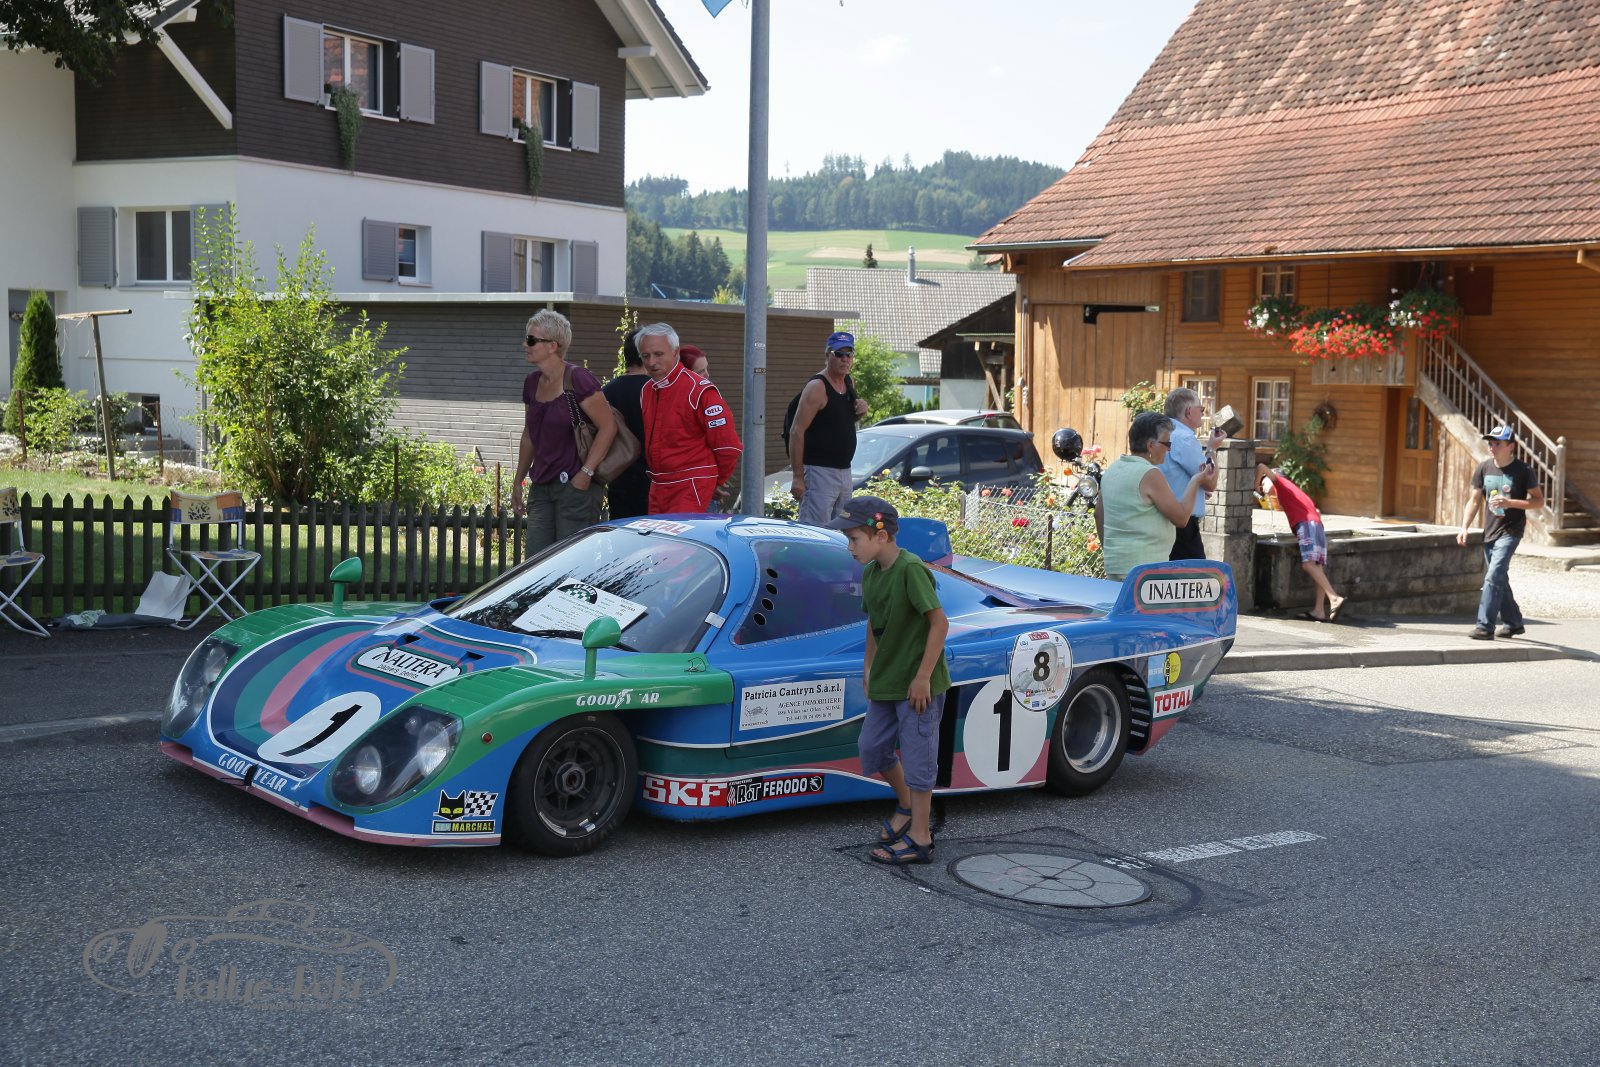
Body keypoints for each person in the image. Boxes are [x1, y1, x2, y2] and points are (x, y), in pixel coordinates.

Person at [826, 496, 950, 865]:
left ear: (880, 536)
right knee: (872, 748)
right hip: (887, 678)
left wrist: (923, 677)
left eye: (854, 539)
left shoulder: (910, 569)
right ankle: (907, 805)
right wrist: (868, 667)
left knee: (918, 759)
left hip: (916, 685)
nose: (850, 547)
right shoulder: (871, 573)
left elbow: (939, 623)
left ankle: (921, 838)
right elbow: (874, 623)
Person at [510, 309, 618, 553]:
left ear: (553, 346)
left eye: (531, 340)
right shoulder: (531, 383)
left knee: (571, 560)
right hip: (541, 485)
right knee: (535, 561)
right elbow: (529, 434)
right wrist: (518, 480)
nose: (524, 344)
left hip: (576, 487)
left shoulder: (578, 378)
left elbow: (608, 427)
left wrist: (585, 473)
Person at [1095, 412, 1216, 580]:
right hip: (1146, 570)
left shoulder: (1113, 469)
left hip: (1116, 565)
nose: (1169, 449)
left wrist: (1113, 552)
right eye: (1167, 443)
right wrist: (1196, 481)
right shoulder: (1150, 474)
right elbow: (1181, 518)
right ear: (1151, 445)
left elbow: (1098, 514)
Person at [637, 322, 742, 513]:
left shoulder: (699, 390)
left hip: (691, 488)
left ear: (676, 352)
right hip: (659, 486)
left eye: (658, 354)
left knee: (682, 535)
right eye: (645, 356)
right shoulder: (647, 390)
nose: (651, 362)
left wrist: (714, 481)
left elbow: (728, 447)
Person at [1456, 424, 1543, 640]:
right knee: (1499, 577)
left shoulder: (1523, 471)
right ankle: (1514, 623)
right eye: (1490, 443)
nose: (1492, 447)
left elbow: (1538, 501)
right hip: (1490, 531)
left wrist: (1510, 502)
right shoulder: (1483, 468)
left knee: (1493, 575)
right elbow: (1474, 500)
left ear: (1510, 447)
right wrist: (1464, 527)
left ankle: (1484, 626)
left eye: (1497, 444)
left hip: (1511, 531)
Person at [789, 331, 871, 525]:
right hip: (819, 473)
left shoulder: (849, 382)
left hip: (845, 472)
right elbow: (796, 431)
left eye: (849, 354)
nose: (845, 359)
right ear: (827, 355)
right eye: (839, 354)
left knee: (841, 532)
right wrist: (798, 477)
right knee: (816, 532)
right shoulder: (817, 387)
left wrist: (861, 410)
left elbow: (839, 421)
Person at [1257, 462, 1346, 622]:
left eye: (1264, 482)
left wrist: (1255, 484)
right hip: (1317, 524)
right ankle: (1319, 611)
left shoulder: (1280, 482)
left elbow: (1261, 467)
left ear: (1274, 477)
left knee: (1308, 565)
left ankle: (1334, 598)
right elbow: (1317, 511)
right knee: (1317, 567)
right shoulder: (1293, 491)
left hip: (1306, 524)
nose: (1262, 486)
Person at [1160, 386, 1227, 560]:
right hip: (1182, 524)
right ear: (1189, 412)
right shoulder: (1184, 437)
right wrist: (1212, 449)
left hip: (1164, 518)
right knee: (1195, 573)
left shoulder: (1163, 432)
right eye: (1201, 409)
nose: (1203, 413)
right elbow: (1210, 482)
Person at [602, 330, 650, 520]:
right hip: (653, 480)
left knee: (622, 534)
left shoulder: (607, 392)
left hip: (618, 476)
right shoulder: (656, 390)